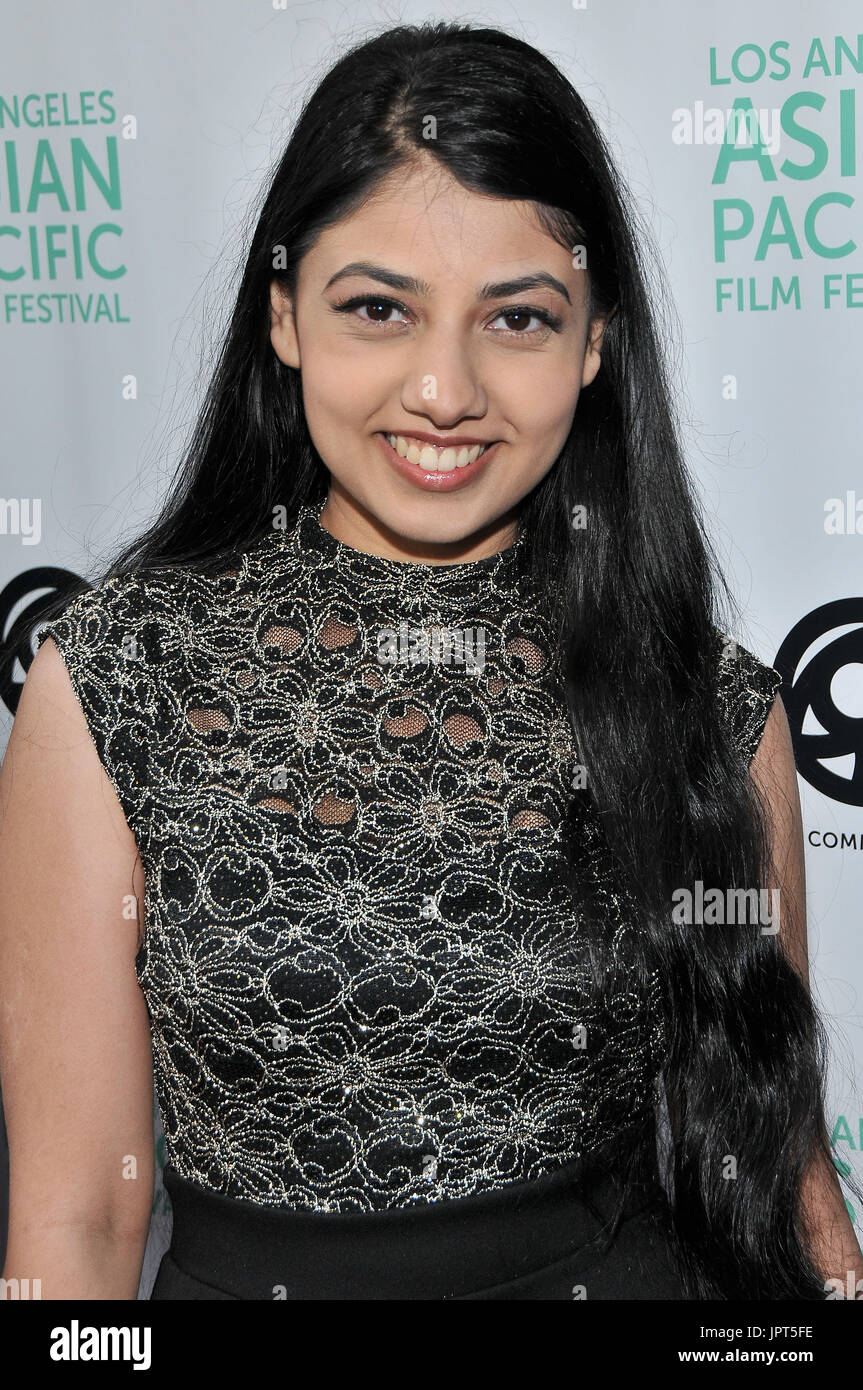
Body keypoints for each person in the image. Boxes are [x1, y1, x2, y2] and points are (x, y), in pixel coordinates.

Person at [1, 20, 860, 1301]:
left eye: (514, 317)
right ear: (285, 314)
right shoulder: (121, 680)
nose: (441, 388)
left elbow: (784, 1184)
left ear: (591, 343)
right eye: (376, 309)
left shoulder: (708, 704)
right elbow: (72, 1229)